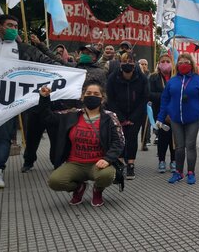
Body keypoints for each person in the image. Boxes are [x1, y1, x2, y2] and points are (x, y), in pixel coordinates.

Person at [0, 15, 62, 189]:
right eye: (9, 25)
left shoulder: (24, 49)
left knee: (4, 138)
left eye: (16, 26)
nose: (14, 29)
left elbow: (48, 64)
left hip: (7, 104)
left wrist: (70, 70)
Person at [40, 83, 124, 207]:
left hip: (98, 163)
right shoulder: (72, 114)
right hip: (75, 163)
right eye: (88, 93)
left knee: (106, 176)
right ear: (82, 97)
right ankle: (79, 187)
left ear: (102, 98)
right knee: (55, 182)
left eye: (96, 94)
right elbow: (48, 117)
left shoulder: (109, 117)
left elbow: (119, 142)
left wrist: (108, 159)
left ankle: (98, 190)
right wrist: (44, 98)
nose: (92, 96)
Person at [157, 53, 199, 185]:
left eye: (186, 62)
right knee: (179, 147)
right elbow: (165, 100)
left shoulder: (198, 80)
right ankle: (178, 172)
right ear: (177, 65)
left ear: (191, 64)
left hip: (193, 119)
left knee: (190, 146)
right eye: (180, 62)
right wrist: (160, 117)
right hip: (176, 119)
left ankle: (191, 172)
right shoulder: (172, 81)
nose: (183, 64)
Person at [107, 52, 149, 180]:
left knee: (131, 138)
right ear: (120, 63)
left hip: (136, 115)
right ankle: (119, 164)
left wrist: (132, 118)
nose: (127, 64)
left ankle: (130, 164)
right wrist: (121, 118)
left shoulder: (142, 78)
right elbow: (111, 99)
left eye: (130, 61)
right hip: (118, 114)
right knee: (119, 139)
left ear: (134, 63)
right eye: (124, 61)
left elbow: (144, 98)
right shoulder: (113, 78)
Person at [149, 54, 176, 173]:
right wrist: (165, 96)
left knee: (174, 138)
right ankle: (161, 161)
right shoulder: (153, 77)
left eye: (167, 61)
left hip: (175, 114)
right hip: (160, 113)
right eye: (163, 61)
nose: (165, 63)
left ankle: (174, 161)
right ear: (159, 64)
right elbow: (149, 94)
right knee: (163, 138)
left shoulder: (176, 77)